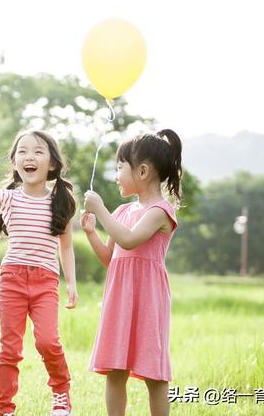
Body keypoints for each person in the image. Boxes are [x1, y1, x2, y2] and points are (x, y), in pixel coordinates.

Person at [0, 131, 78, 416]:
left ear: (52, 164)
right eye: (23, 151)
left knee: (47, 341)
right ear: (15, 162)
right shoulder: (8, 198)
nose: (29, 156)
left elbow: (66, 248)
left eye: (38, 151)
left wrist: (71, 284)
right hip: (12, 279)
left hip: (45, 281)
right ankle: (4, 409)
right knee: (10, 349)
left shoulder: (62, 202)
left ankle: (60, 391)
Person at [81, 129, 183, 416]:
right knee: (115, 368)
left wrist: (100, 211)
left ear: (142, 171)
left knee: (153, 372)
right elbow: (109, 257)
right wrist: (91, 233)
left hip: (148, 298)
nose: (115, 175)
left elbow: (129, 239)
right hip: (119, 298)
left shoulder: (160, 211)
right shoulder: (123, 211)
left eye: (119, 168)